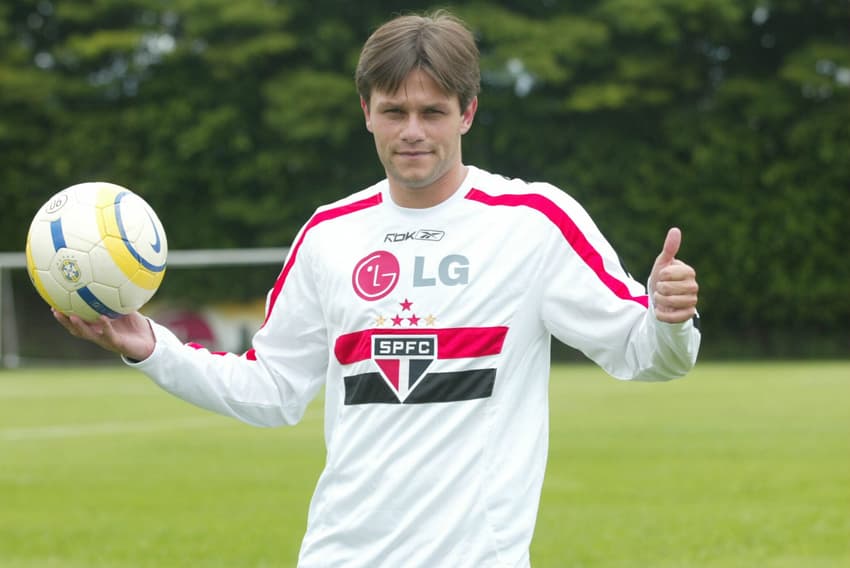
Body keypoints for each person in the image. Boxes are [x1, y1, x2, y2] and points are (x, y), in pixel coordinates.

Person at [55, 10, 700, 568]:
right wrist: (152, 347)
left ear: (467, 113)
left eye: (432, 112)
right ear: (367, 112)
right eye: (394, 111)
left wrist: (668, 319)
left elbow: (644, 353)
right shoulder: (329, 234)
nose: (412, 130)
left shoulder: (532, 223)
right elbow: (272, 389)